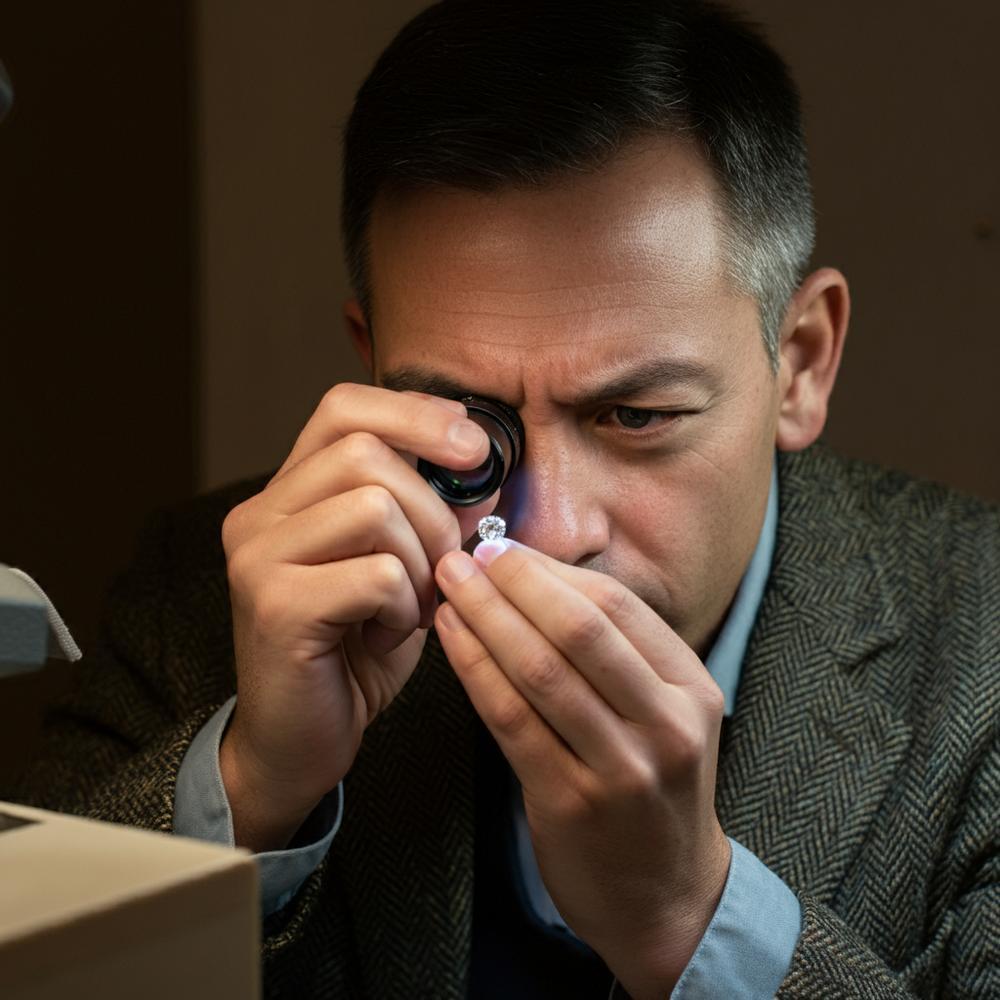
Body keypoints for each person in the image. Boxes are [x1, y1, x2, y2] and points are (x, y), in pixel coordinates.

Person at [8, 1, 998, 997]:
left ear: (801, 363)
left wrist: (690, 918)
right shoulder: (203, 597)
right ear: (372, 361)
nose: (549, 531)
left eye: (637, 415)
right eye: (469, 426)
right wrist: (253, 782)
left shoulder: (982, 656)